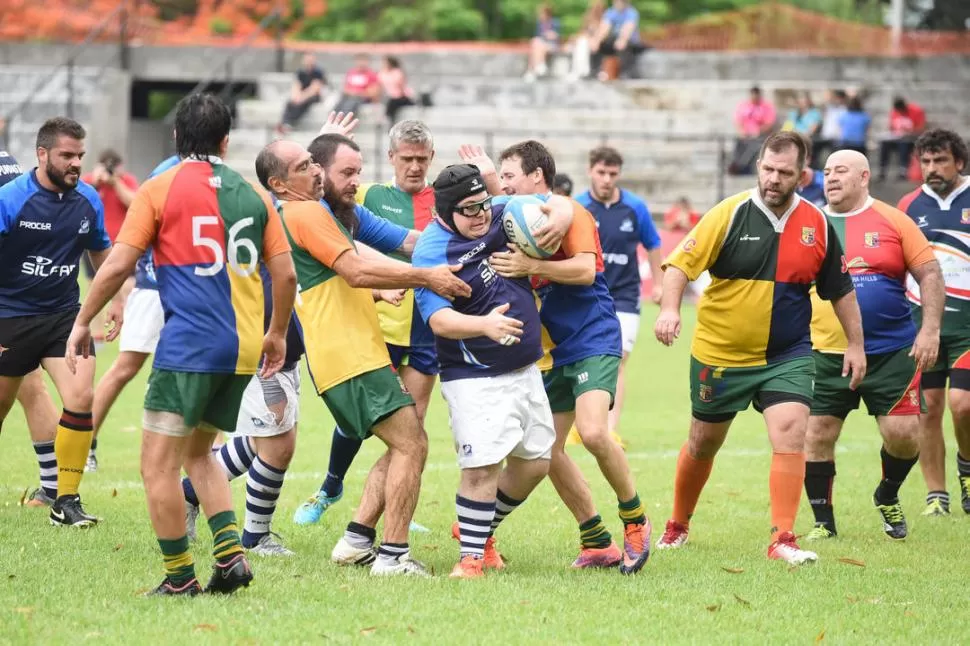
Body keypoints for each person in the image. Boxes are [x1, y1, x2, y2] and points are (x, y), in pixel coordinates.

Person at [66, 93, 298, 595]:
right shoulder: (254, 195)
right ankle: (231, 559)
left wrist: (83, 320)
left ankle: (179, 578)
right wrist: (276, 332)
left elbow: (119, 263)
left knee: (156, 465)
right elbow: (285, 274)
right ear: (225, 141)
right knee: (200, 453)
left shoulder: (159, 188)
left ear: (176, 137)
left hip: (189, 347)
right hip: (241, 348)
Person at [261, 134, 470, 576]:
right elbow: (354, 271)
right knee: (412, 444)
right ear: (279, 184)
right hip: (348, 356)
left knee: (403, 443)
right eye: (304, 167)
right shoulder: (305, 212)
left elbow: (352, 270)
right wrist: (427, 278)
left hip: (348, 355)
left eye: (314, 163)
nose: (315, 172)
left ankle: (357, 540)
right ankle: (392, 556)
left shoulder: (308, 212)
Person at [653, 131, 864, 565]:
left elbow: (841, 290)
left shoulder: (818, 224)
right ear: (758, 166)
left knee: (791, 432)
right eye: (767, 169)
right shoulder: (728, 213)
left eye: (784, 172)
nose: (773, 178)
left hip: (787, 355)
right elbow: (678, 266)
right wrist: (670, 310)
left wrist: (856, 345)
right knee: (702, 442)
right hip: (721, 354)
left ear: (802, 176)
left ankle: (782, 538)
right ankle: (678, 523)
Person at [489, 139, 653, 575]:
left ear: (536, 176)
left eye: (510, 176)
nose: (504, 184)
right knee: (547, 450)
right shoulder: (513, 219)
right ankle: (596, 540)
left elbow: (583, 270)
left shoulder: (572, 212)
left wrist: (532, 267)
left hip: (593, 336)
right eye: (501, 177)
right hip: (554, 350)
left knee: (595, 432)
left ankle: (635, 520)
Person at [293, 120, 438, 525]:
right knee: (381, 432)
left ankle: (378, 519)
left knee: (409, 433)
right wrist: (425, 276)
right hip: (361, 339)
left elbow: (408, 241)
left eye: (422, 159)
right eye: (348, 172)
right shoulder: (323, 209)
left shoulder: (355, 209)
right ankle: (336, 493)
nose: (414, 166)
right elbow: (354, 264)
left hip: (414, 332)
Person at [413, 164, 555, 578]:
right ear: (444, 212)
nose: (481, 215)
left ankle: (475, 528)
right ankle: (470, 559)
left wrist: (548, 225)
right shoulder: (433, 251)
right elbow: (439, 321)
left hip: (525, 369)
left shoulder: (499, 213)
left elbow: (557, 205)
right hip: (475, 376)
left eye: (484, 204)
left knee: (535, 463)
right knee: (482, 468)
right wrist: (485, 326)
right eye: (469, 209)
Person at [803, 149, 943, 541]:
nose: (831, 177)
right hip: (825, 352)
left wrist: (930, 330)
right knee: (817, 434)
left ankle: (887, 494)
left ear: (864, 176)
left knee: (904, 435)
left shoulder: (894, 220)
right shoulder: (810, 223)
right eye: (827, 171)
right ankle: (823, 523)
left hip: (891, 351)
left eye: (841, 170)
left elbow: (930, 274)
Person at [0, 117, 121, 527]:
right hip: (10, 317)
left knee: (80, 398)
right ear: (42, 154)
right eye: (67, 155)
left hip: (65, 317)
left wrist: (116, 299)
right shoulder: (11, 199)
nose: (76, 163)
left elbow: (102, 253)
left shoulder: (88, 199)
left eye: (80, 155)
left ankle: (65, 501)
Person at [87, 154, 180, 472]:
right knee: (125, 367)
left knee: (200, 370)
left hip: (194, 290)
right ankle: (85, 444)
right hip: (154, 286)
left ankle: (214, 451)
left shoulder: (215, 176)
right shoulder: (165, 171)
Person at [898, 128, 970, 516]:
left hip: (967, 329)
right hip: (922, 326)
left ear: (959, 161)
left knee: (963, 405)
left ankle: (967, 470)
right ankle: (936, 495)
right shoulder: (908, 205)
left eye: (940, 160)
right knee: (928, 409)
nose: (932, 168)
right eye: (925, 161)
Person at [576, 146, 663, 444]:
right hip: (587, 294)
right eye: (601, 172)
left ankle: (610, 428)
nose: (606, 179)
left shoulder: (635, 208)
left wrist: (659, 283)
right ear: (590, 171)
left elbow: (653, 244)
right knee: (582, 358)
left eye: (612, 173)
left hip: (625, 295)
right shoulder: (578, 207)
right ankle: (582, 422)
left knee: (617, 359)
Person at [590, 0, 645, 80]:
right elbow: (604, 28)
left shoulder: (631, 12)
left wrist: (623, 39)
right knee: (597, 45)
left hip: (630, 41)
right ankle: (594, 72)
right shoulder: (610, 12)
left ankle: (626, 73)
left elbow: (628, 28)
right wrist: (597, 41)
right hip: (615, 40)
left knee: (622, 46)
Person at [730, 86, 777, 175]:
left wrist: (758, 131)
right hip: (745, 135)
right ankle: (737, 165)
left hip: (760, 136)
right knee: (738, 145)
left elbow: (769, 123)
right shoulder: (743, 106)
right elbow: (738, 121)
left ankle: (742, 166)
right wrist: (742, 132)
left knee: (753, 147)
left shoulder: (766, 107)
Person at [878, 96, 926, 182]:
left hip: (911, 139)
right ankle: (883, 169)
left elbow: (921, 128)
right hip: (897, 138)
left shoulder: (916, 111)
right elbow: (891, 127)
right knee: (884, 144)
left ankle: (903, 171)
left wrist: (909, 132)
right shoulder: (894, 112)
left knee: (903, 144)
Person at [277, 52, 327, 134]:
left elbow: (315, 88)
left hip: (314, 96)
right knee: (290, 103)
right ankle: (285, 123)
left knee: (304, 103)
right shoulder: (300, 72)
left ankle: (289, 123)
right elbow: (296, 85)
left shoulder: (318, 72)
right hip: (302, 95)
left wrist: (302, 98)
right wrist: (296, 97)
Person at [524, 2, 561, 82]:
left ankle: (531, 71)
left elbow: (557, 36)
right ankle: (540, 65)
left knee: (536, 44)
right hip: (542, 45)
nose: (540, 16)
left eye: (541, 14)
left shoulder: (555, 22)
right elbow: (538, 36)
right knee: (536, 44)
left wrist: (552, 35)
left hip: (552, 45)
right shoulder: (540, 23)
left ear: (547, 14)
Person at [813, 89, 848, 169]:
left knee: (834, 159)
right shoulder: (830, 108)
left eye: (837, 98)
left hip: (837, 139)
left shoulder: (845, 110)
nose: (835, 100)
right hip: (826, 137)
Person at [379, 56, 415, 125]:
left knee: (393, 102)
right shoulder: (382, 73)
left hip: (401, 96)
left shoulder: (397, 72)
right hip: (390, 97)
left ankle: (386, 118)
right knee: (391, 102)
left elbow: (401, 87)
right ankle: (387, 119)